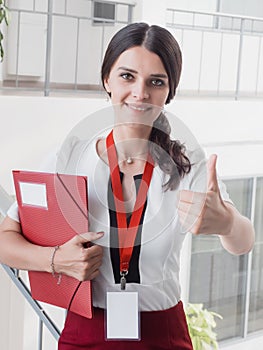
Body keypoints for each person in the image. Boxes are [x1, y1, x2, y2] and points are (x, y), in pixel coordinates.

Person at [0, 22, 255, 350]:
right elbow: (6, 239)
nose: (140, 93)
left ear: (169, 91)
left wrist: (228, 222)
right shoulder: (70, 156)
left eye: (156, 82)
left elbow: (244, 242)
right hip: (85, 332)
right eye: (127, 76)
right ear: (107, 79)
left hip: (162, 334)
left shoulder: (187, 163)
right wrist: (56, 260)